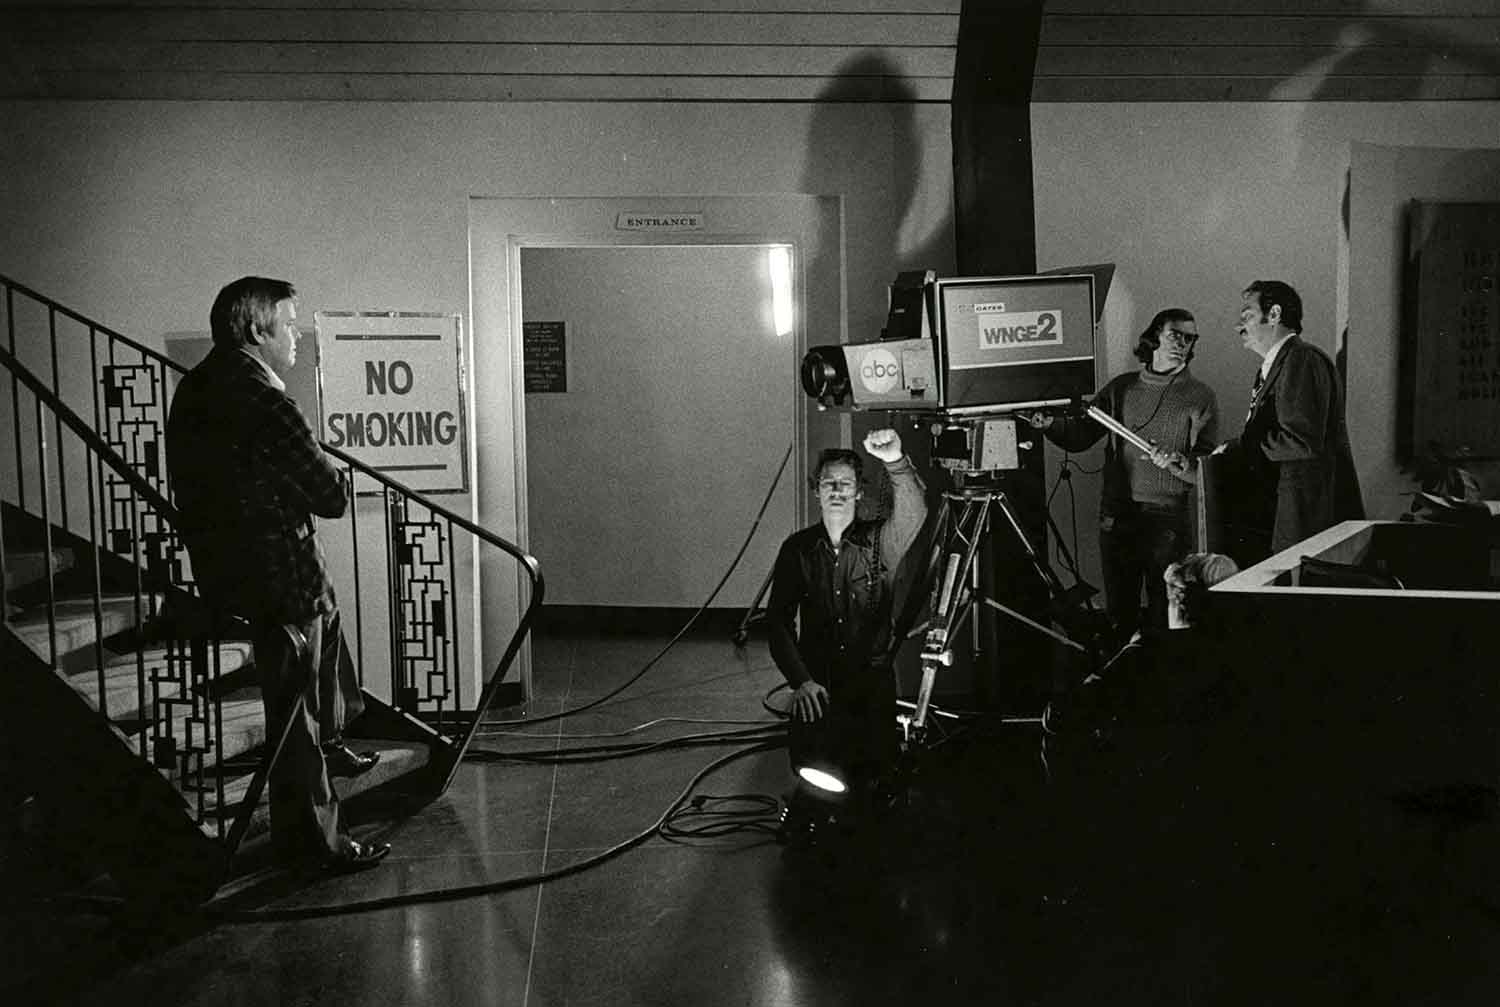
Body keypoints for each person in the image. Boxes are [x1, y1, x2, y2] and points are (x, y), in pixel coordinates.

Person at [166, 276, 389, 872]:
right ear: (258, 329)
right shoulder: (265, 398)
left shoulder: (195, 390)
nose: (296, 335)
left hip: (226, 571)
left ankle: (337, 740)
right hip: (279, 577)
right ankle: (320, 841)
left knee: (327, 628)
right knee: (295, 719)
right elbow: (329, 494)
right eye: (289, 324)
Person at [766, 428, 928, 832]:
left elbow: (914, 513)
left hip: (870, 685)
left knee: (872, 787)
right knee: (815, 773)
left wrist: (895, 461)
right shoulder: (797, 551)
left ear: (858, 492)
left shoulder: (881, 544)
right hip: (819, 685)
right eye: (828, 483)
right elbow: (778, 623)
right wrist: (801, 682)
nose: (836, 490)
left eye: (845, 484)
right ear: (816, 491)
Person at [1028, 308, 1218, 644]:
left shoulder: (1200, 397)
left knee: (1168, 613)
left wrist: (1176, 462)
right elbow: (1082, 434)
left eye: (1190, 338)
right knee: (1121, 613)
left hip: (1167, 520)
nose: (1183, 344)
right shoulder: (1121, 389)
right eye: (1176, 334)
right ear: (1155, 335)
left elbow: (1205, 471)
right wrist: (1051, 426)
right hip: (1117, 515)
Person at [1213, 280, 1363, 560]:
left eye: (1247, 316)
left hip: (1303, 523)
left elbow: (1300, 442)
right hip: (1286, 519)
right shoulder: (1277, 366)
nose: (1238, 326)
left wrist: (1240, 447)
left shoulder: (1300, 360)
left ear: (1274, 314)